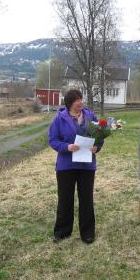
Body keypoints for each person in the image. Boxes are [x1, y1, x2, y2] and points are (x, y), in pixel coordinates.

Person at [48, 89, 103, 244]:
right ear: (70, 103)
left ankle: (87, 233)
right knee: (65, 200)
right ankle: (62, 232)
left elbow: (99, 136)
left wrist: (97, 147)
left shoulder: (90, 116)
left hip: (87, 165)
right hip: (66, 166)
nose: (80, 102)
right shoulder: (60, 119)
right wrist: (67, 147)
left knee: (86, 199)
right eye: (77, 100)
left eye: (81, 99)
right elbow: (52, 140)